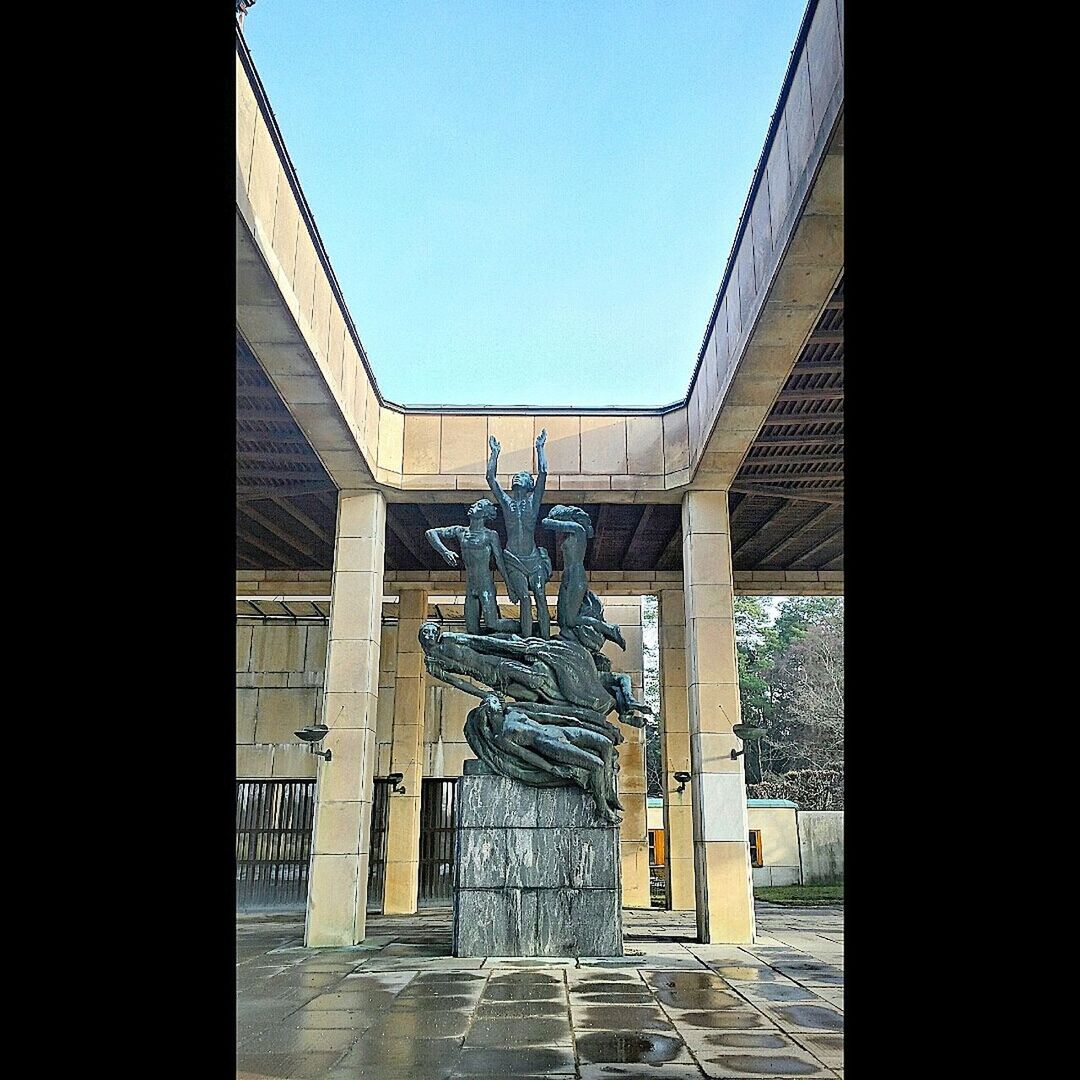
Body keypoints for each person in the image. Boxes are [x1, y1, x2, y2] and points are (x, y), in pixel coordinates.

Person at [487, 429, 552, 638]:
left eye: (522, 476)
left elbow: (543, 473)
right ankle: (526, 644)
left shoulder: (533, 501)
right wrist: (495, 454)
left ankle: (546, 642)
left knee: (541, 596)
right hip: (513, 558)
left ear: (529, 485)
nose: (517, 477)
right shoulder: (507, 503)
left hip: (533, 558)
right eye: (516, 476)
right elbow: (491, 478)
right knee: (525, 598)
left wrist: (540, 448)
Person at [424, 499, 519, 635]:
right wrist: (445, 552)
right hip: (470, 587)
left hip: (485, 587)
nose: (472, 506)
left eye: (478, 505)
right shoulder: (460, 531)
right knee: (472, 630)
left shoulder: (490, 535)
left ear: (485, 514)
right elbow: (430, 533)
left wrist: (510, 587)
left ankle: (524, 629)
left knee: (492, 623)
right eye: (474, 504)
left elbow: (500, 563)